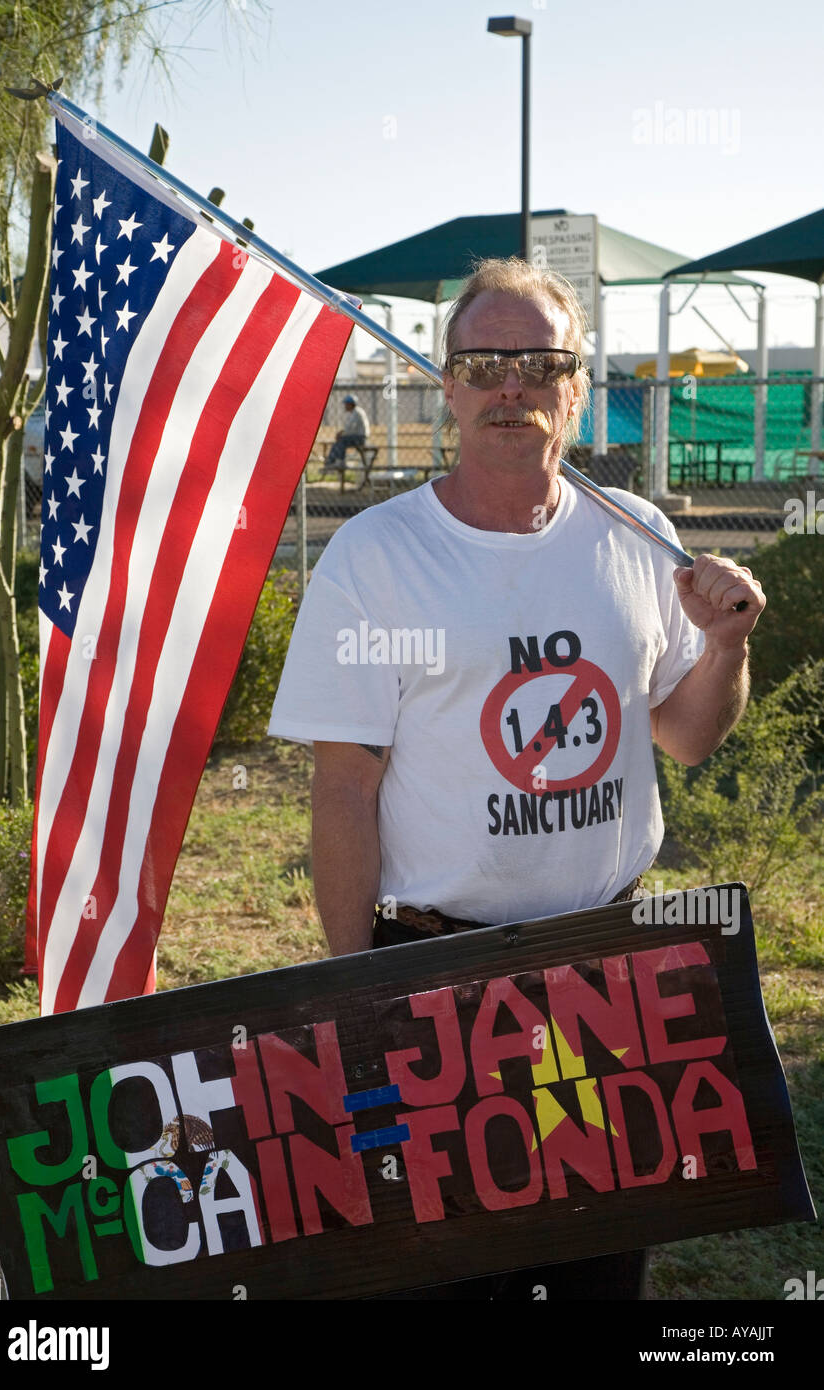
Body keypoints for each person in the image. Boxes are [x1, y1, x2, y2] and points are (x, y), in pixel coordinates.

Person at [268, 258, 766, 1300]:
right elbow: (345, 788)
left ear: (576, 388)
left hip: (609, 973)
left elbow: (683, 737)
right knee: (446, 1265)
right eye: (483, 363)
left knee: (597, 1264)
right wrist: (353, 989)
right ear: (447, 385)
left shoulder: (636, 539)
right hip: (434, 973)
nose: (510, 387)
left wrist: (721, 648)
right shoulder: (377, 557)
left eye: (538, 364)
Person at [323, 392, 370, 470]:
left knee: (341, 441)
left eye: (346, 404)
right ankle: (333, 461)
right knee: (339, 442)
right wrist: (342, 433)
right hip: (357, 436)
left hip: (360, 438)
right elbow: (349, 428)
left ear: (351, 404)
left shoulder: (356, 412)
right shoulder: (354, 412)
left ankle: (337, 461)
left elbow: (350, 428)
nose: (345, 406)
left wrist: (341, 434)